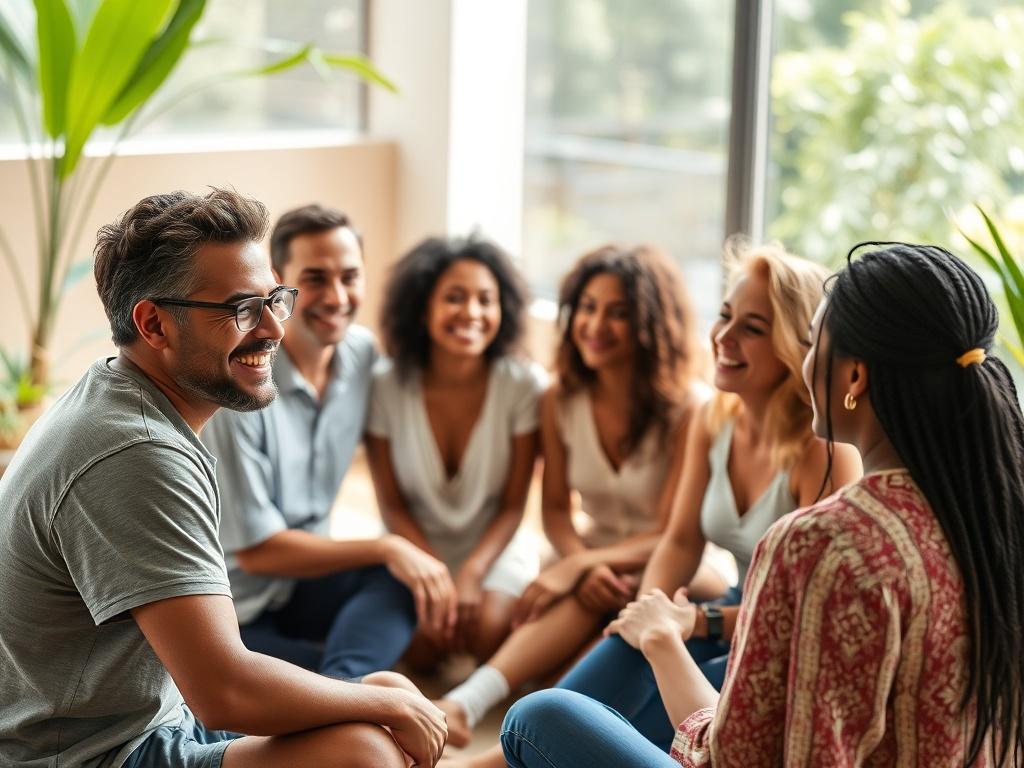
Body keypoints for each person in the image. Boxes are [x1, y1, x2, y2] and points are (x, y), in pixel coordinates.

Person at [500, 242, 1024, 767]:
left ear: (855, 378)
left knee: (539, 718)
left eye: (814, 342)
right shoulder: (991, 515)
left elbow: (732, 757)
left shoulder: (818, 540)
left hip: (722, 661)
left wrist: (662, 638)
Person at [0, 189, 446, 768]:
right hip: (88, 755)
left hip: (154, 719)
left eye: (273, 300)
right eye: (241, 308)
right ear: (154, 324)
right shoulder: (136, 453)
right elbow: (224, 692)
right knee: (362, 750)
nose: (274, 330)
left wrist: (379, 701)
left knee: (388, 688)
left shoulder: (117, 393)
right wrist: (376, 709)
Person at [447, 242, 861, 766]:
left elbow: (805, 613)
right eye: (726, 316)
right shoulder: (716, 419)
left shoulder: (823, 448)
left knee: (612, 724)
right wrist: (646, 615)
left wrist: (689, 625)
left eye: (752, 329)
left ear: (797, 344)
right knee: (625, 647)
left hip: (774, 642)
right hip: (725, 608)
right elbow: (681, 540)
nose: (724, 338)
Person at [436, 244, 727, 752]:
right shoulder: (559, 398)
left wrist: (584, 564)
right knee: (565, 607)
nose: (595, 324)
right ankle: (466, 703)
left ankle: (504, 710)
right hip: (585, 552)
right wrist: (581, 564)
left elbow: (672, 534)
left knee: (580, 655)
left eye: (617, 312)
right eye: (587, 308)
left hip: (676, 565)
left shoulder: (691, 407)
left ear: (650, 324)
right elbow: (552, 510)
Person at [202, 204, 448, 681]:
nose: (337, 297)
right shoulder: (242, 387)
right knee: (317, 668)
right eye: (314, 279)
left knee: (399, 582)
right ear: (278, 285)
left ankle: (343, 691)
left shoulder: (362, 353)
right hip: (235, 609)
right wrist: (387, 545)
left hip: (304, 585)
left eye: (350, 277)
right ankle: (346, 691)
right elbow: (259, 550)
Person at [365, 236, 547, 669]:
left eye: (486, 300)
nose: (472, 313)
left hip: (495, 543)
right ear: (423, 307)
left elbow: (512, 506)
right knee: (420, 649)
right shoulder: (386, 385)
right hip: (415, 544)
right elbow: (391, 505)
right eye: (454, 298)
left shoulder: (522, 384)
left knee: (488, 633)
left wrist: (471, 575)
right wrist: (434, 575)